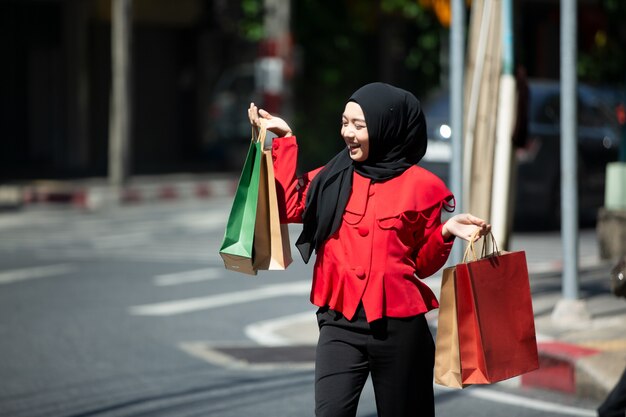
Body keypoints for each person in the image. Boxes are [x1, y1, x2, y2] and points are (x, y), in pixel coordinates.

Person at [248, 82, 491, 417]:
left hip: (400, 330)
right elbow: (288, 207)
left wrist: (446, 232)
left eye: (359, 126)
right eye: (345, 122)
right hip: (339, 324)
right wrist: (285, 142)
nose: (348, 133)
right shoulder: (331, 176)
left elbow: (421, 265)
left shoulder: (422, 187)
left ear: (385, 127)